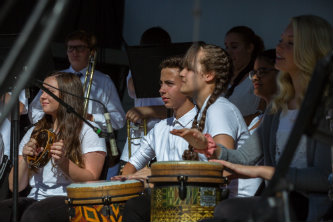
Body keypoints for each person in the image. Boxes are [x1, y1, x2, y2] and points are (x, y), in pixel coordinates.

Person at [173, 15, 333, 222]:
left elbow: (325, 178)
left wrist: (267, 172)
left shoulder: (326, 108)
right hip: (280, 204)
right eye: (280, 40)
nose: (279, 47)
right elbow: (244, 158)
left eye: (290, 43)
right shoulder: (277, 108)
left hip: (312, 209)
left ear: (312, 50)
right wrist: (209, 147)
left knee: (226, 211)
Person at [0, 72, 107, 221]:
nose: (42, 96)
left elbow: (91, 179)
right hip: (35, 197)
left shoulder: (88, 130)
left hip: (69, 198)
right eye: (43, 91)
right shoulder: (34, 131)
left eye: (49, 92)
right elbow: (15, 186)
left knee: (34, 215)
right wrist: (25, 159)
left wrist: (64, 162)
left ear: (67, 96)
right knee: (3, 211)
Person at [114, 56, 204, 222]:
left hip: (193, 202)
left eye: (169, 84)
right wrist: (127, 179)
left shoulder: (204, 122)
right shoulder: (160, 128)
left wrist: (155, 175)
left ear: (188, 85)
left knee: (135, 207)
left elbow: (204, 172)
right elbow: (132, 164)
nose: (162, 90)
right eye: (161, 84)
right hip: (162, 200)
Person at [171, 42, 250, 197]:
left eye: (189, 68)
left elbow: (224, 168)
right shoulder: (209, 109)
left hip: (233, 205)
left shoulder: (219, 109)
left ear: (209, 75)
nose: (181, 73)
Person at [29, 30, 125, 132]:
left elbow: (119, 119)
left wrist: (92, 118)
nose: (75, 52)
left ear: (91, 51)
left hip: (91, 138)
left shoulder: (104, 81)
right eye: (71, 48)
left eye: (80, 48)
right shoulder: (54, 78)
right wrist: (51, 125)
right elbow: (34, 110)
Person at [121, 27, 172, 165]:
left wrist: (147, 111)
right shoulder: (137, 68)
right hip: (138, 139)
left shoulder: (174, 73)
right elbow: (133, 89)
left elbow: (177, 111)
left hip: (163, 139)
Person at [224, 26, 265, 117]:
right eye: (227, 47)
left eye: (234, 47)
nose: (229, 52)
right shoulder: (224, 77)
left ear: (250, 48)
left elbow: (260, 114)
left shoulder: (257, 78)